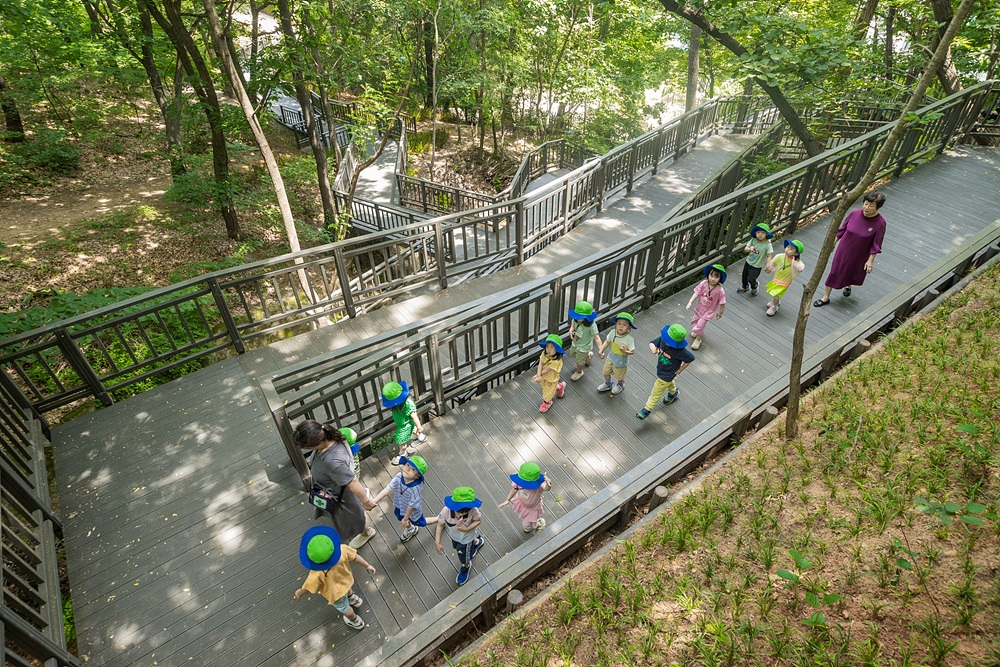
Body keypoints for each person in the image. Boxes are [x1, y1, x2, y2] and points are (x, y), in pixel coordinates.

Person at [293, 420, 378, 549]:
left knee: (352, 515)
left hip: (340, 495)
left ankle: (365, 532)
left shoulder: (332, 461)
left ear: (317, 442)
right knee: (350, 513)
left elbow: (352, 482)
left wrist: (366, 501)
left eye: (307, 447)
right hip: (334, 485)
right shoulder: (332, 435)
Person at [294, 526, 377, 630]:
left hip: (335, 594)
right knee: (348, 590)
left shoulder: (316, 573)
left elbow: (308, 587)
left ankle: (355, 621)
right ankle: (353, 599)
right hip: (346, 581)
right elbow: (355, 557)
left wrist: (299, 593)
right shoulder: (342, 549)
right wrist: (367, 565)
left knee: (345, 609)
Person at [814, 191, 887, 307]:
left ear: (878, 208)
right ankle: (825, 297)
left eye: (871, 206)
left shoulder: (880, 223)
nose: (866, 207)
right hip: (844, 250)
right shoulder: (854, 213)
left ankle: (848, 285)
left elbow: (876, 244)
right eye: (865, 204)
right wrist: (832, 244)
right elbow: (841, 230)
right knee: (835, 271)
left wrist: (870, 261)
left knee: (852, 271)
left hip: (860, 253)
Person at [370, 455, 437, 542]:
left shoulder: (416, 488)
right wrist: (375, 500)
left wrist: (406, 519)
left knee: (422, 522)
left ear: (417, 476)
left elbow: (412, 505)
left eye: (413, 469)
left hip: (412, 512)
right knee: (401, 519)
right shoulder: (399, 476)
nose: (408, 469)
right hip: (400, 506)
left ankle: (438, 519)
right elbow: (387, 489)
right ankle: (410, 529)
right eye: (408, 465)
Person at [637, 324, 695, 420]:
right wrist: (653, 349)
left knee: (656, 391)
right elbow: (652, 343)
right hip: (661, 369)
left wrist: (680, 369)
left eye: (670, 342)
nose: (667, 343)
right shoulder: (663, 340)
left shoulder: (680, 351)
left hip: (668, 374)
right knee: (668, 382)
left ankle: (647, 409)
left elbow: (691, 358)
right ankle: (673, 393)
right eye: (667, 340)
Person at [435, 487, 485, 586]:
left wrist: (466, 529)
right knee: (456, 546)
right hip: (455, 536)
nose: (462, 514)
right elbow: (440, 524)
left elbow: (478, 520)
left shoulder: (473, 510)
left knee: (463, 555)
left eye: (466, 512)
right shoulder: (446, 511)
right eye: (459, 512)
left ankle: (466, 566)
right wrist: (437, 542)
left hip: (466, 539)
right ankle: (476, 543)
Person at [381, 381, 427, 466]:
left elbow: (414, 416)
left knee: (400, 441)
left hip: (404, 426)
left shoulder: (407, 404)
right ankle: (422, 437)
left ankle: (402, 454)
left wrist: (419, 426)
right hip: (406, 423)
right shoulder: (399, 404)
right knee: (413, 429)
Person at [498, 462, 552, 534]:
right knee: (528, 521)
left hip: (526, 504)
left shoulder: (523, 481)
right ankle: (530, 527)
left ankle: (528, 527)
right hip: (531, 506)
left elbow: (546, 488)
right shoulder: (536, 483)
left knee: (528, 516)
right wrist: (507, 499)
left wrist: (549, 484)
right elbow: (515, 488)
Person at [685, 264, 727, 350]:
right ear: (708, 274)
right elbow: (696, 293)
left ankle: (698, 339)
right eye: (711, 275)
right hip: (699, 308)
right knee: (697, 321)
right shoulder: (704, 283)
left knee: (700, 324)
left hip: (709, 311)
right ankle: (698, 331)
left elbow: (722, 302)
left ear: (720, 278)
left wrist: (720, 312)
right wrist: (690, 302)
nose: (713, 279)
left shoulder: (720, 290)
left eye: (716, 277)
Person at [596, 312, 637, 395]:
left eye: (624, 325)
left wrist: (625, 351)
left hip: (621, 359)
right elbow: (607, 341)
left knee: (619, 375)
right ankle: (608, 384)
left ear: (629, 328)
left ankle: (620, 384)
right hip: (611, 356)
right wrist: (601, 350)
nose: (621, 326)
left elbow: (632, 352)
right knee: (605, 372)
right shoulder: (612, 332)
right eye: (619, 323)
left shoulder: (629, 339)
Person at [764, 239, 806, 317]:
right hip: (776, 278)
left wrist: (794, 263)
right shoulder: (780, 256)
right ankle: (776, 301)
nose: (787, 249)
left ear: (796, 253)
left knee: (776, 294)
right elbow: (774, 262)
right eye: (787, 247)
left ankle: (774, 306)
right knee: (774, 293)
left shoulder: (796, 262)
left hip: (784, 282)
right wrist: (769, 268)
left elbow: (801, 268)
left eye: (791, 249)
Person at [736, 223, 774, 296]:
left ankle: (755, 286)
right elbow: (745, 249)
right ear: (755, 233)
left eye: (763, 232)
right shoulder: (753, 240)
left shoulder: (767, 245)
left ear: (766, 234)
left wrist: (768, 265)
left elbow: (769, 256)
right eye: (758, 232)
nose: (760, 234)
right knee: (744, 276)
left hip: (757, 265)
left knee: (751, 278)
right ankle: (745, 286)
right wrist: (750, 249)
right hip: (748, 261)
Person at [567, 301, 601, 381]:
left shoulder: (591, 325)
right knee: (572, 354)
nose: (577, 318)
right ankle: (588, 355)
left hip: (584, 347)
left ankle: (579, 372)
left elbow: (597, 337)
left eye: (580, 317)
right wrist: (571, 331)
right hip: (576, 343)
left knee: (579, 361)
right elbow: (572, 325)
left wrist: (601, 349)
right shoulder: (575, 320)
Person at [532, 334, 566, 413]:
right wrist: (539, 375)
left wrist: (538, 375)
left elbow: (547, 370)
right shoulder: (544, 354)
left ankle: (547, 402)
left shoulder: (556, 361)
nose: (549, 350)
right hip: (544, 376)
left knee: (547, 393)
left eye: (551, 348)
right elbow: (541, 363)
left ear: (556, 349)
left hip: (551, 378)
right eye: (547, 347)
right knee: (545, 386)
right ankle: (560, 386)